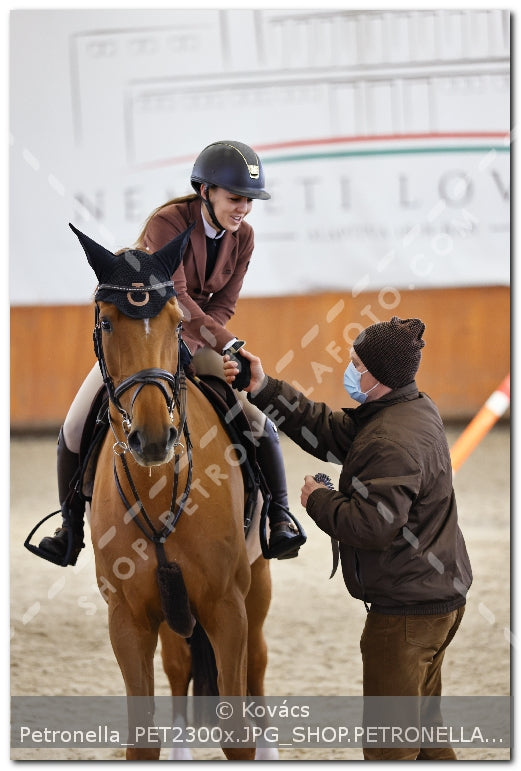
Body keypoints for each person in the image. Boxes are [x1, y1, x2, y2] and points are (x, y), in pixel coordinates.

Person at [38, 140, 306, 566]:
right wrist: (225, 343)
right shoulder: (168, 223)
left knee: (259, 422)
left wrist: (211, 344)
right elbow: (176, 294)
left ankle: (279, 517)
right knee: (73, 426)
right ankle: (69, 529)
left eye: (249, 201)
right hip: (144, 340)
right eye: (235, 198)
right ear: (206, 191)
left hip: (197, 341)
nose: (243, 209)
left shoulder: (244, 237)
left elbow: (225, 303)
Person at [224, 316, 473, 760]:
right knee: (426, 736)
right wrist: (262, 387)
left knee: (388, 750)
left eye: (356, 363)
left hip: (406, 615)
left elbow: (371, 526)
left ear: (378, 376)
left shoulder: (390, 439)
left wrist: (319, 499)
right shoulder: (408, 408)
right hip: (433, 599)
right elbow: (325, 428)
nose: (349, 369)